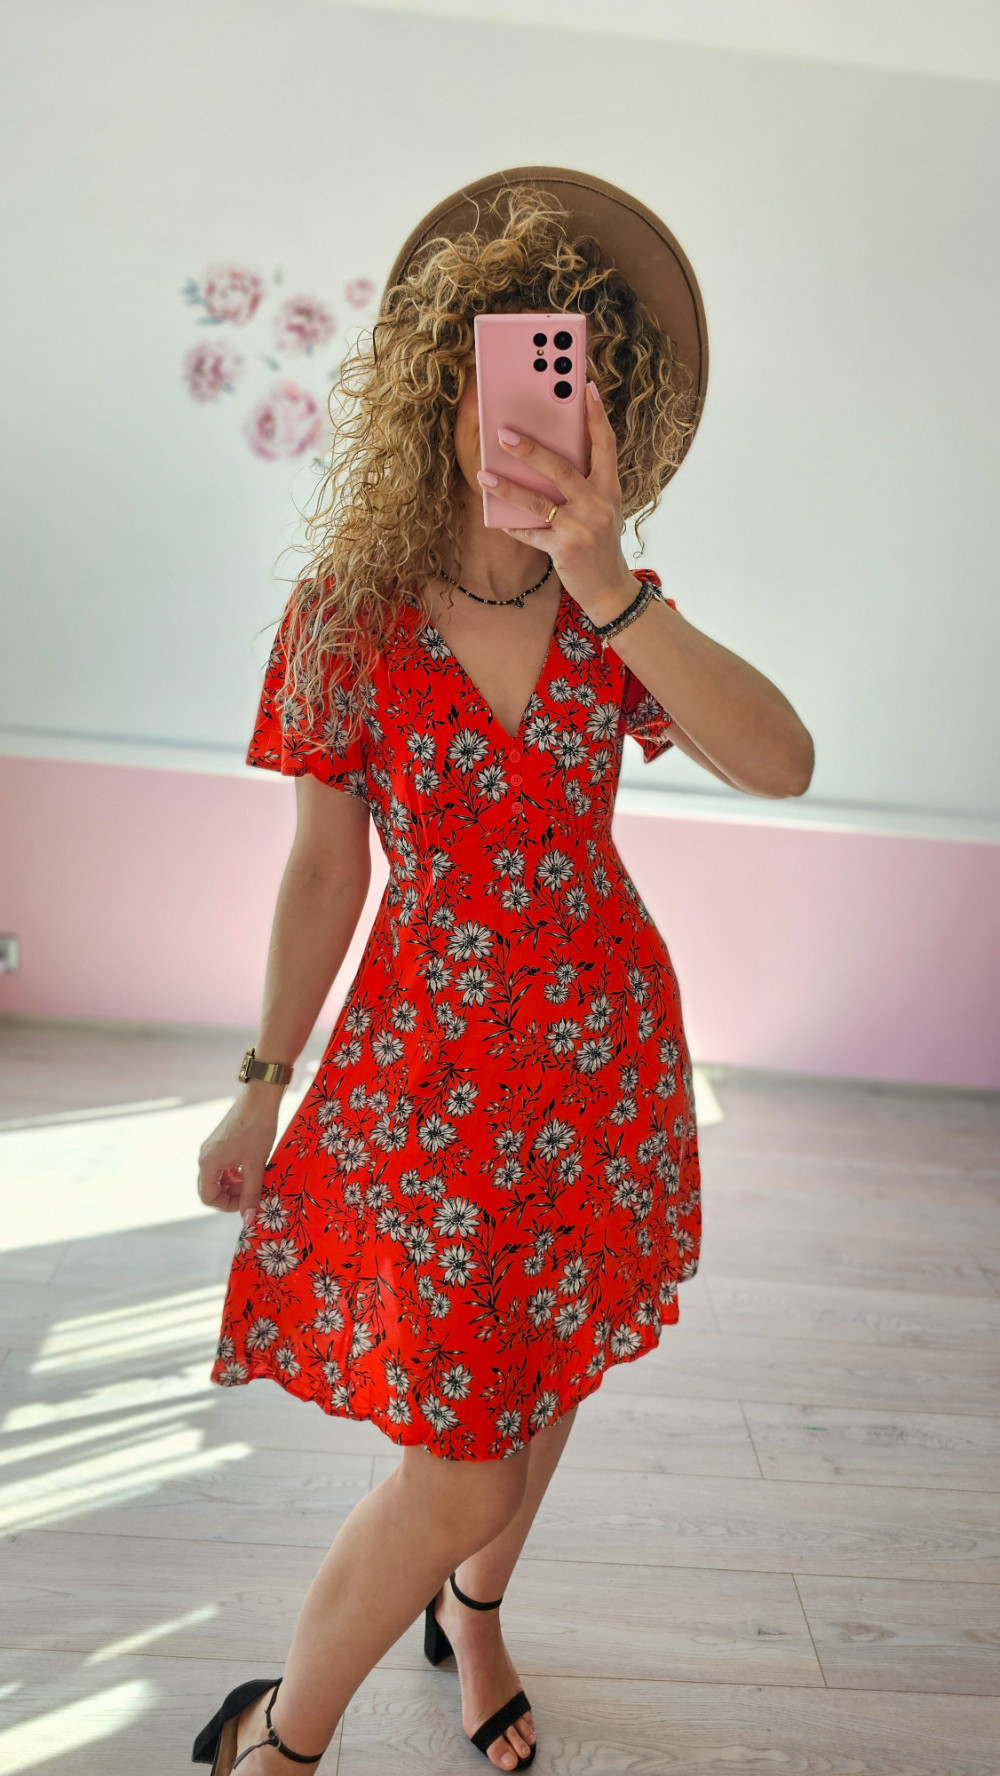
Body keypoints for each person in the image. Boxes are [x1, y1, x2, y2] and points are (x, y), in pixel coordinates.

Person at [193, 170, 814, 1775]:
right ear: (442, 385)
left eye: (573, 384)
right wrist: (261, 1085)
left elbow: (784, 761)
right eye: (513, 373)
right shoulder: (345, 615)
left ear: (615, 418)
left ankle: (472, 1616)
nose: (535, 416)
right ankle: (277, 1739)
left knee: (547, 1375)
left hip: (601, 1052)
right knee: (461, 1461)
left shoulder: (619, 614)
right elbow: (326, 870)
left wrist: (611, 586)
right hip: (434, 1074)